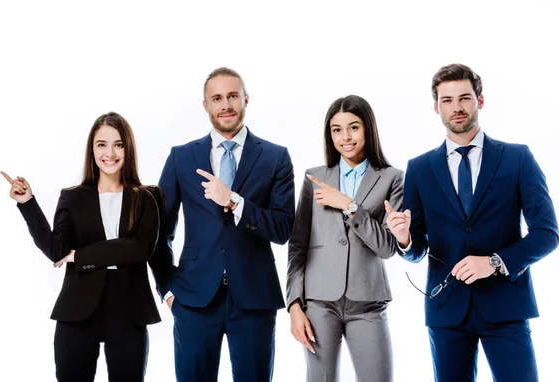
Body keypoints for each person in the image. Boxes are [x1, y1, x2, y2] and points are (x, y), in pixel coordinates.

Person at [398, 63, 559, 381]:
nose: (456, 108)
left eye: (464, 98)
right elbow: (417, 249)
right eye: (447, 100)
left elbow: (547, 233)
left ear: (480, 101)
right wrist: (404, 239)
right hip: (447, 310)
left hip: (506, 306)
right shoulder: (419, 169)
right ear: (436, 107)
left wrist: (496, 262)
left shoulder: (517, 158)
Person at [2, 112, 165, 382]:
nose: (109, 153)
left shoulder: (147, 197)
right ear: (92, 149)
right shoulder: (73, 197)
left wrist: (81, 255)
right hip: (77, 309)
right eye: (102, 144)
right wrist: (28, 203)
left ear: (128, 148)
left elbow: (140, 249)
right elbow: (57, 251)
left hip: (129, 310)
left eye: (118, 144)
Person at [154, 67, 295, 382]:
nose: (226, 105)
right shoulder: (181, 158)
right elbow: (159, 233)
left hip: (254, 299)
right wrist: (168, 291)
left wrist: (234, 201)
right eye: (217, 98)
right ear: (206, 105)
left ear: (246, 99)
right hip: (192, 300)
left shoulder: (275, 157)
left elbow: (283, 229)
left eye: (232, 96)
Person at [286, 95, 408, 382]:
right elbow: (297, 247)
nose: (345, 137)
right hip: (318, 303)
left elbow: (388, 247)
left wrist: (349, 206)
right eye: (336, 130)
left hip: (368, 301)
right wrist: (294, 305)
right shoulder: (314, 177)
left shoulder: (393, 178)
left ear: (368, 128)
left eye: (353, 127)